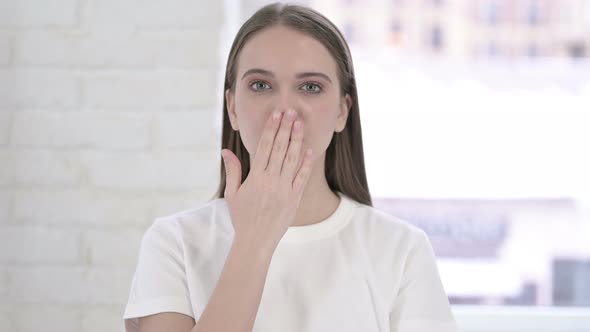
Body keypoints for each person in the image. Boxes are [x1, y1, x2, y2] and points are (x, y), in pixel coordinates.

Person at [123, 3, 458, 332]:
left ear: (342, 111)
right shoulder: (174, 242)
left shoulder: (401, 250)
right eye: (260, 85)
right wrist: (254, 241)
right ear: (232, 108)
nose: (284, 109)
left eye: (310, 87)